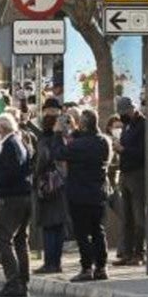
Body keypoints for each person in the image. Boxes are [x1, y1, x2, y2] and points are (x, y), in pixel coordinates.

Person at [57, 109, 112, 282]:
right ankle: (101, 267)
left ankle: (87, 267)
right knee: (98, 230)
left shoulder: (78, 145)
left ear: (83, 124)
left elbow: (59, 153)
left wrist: (59, 133)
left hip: (79, 192)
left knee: (81, 232)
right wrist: (75, 130)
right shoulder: (104, 141)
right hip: (98, 191)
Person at [0, 113, 32, 297]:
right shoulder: (19, 142)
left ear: (1, 128)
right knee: (20, 240)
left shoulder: (10, 145)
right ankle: (22, 281)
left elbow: (11, 171)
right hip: (23, 197)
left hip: (13, 198)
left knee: (2, 239)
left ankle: (13, 281)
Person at [112, 97, 147, 266]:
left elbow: (144, 151)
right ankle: (127, 252)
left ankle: (139, 252)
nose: (122, 116)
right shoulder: (127, 126)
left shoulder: (143, 125)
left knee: (139, 215)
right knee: (127, 216)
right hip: (125, 172)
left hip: (138, 173)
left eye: (124, 112)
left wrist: (124, 150)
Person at [32, 113, 67, 275]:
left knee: (49, 227)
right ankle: (56, 262)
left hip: (48, 186)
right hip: (61, 186)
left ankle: (50, 263)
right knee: (57, 226)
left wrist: (36, 178)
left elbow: (41, 163)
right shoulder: (62, 139)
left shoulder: (45, 141)